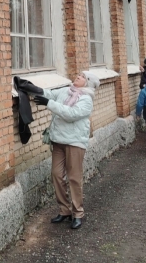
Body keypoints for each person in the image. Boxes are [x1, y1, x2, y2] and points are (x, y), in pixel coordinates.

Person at [33, 71, 100, 230]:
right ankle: (64, 210)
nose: (78, 76)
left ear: (87, 83)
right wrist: (31, 87)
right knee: (56, 174)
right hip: (59, 140)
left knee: (74, 178)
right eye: (79, 74)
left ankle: (78, 213)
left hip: (75, 142)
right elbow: (49, 94)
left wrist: (49, 103)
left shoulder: (86, 99)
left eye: (82, 76)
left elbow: (70, 114)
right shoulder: (66, 90)